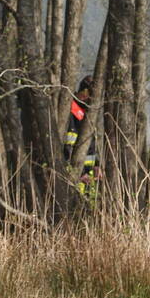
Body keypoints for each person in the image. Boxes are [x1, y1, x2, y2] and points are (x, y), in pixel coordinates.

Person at [63, 75, 98, 203]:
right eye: (91, 95)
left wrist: (97, 165)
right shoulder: (71, 111)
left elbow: (91, 144)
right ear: (85, 92)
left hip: (89, 176)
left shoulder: (85, 112)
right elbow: (67, 147)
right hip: (76, 176)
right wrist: (80, 173)